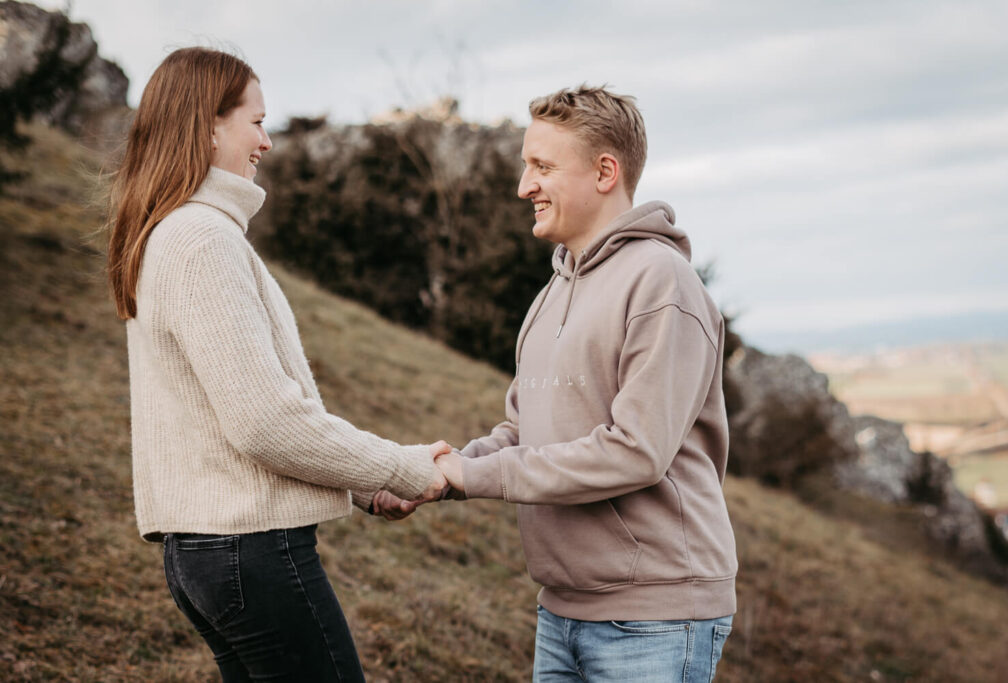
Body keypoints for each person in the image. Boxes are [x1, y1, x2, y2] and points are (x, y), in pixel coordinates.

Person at [106, 47, 448, 682]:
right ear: (209, 124)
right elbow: (264, 420)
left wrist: (359, 487)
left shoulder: (181, 232)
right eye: (256, 121)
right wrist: (400, 467)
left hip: (212, 552)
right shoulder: (202, 238)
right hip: (246, 552)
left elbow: (229, 415)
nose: (266, 140)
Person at [379, 85, 739, 681]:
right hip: (561, 613)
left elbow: (637, 451)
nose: (525, 186)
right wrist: (431, 477)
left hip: (655, 618)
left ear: (605, 171)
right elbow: (522, 433)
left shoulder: (662, 283)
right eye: (527, 166)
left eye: (542, 166)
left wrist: (473, 476)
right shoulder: (550, 296)